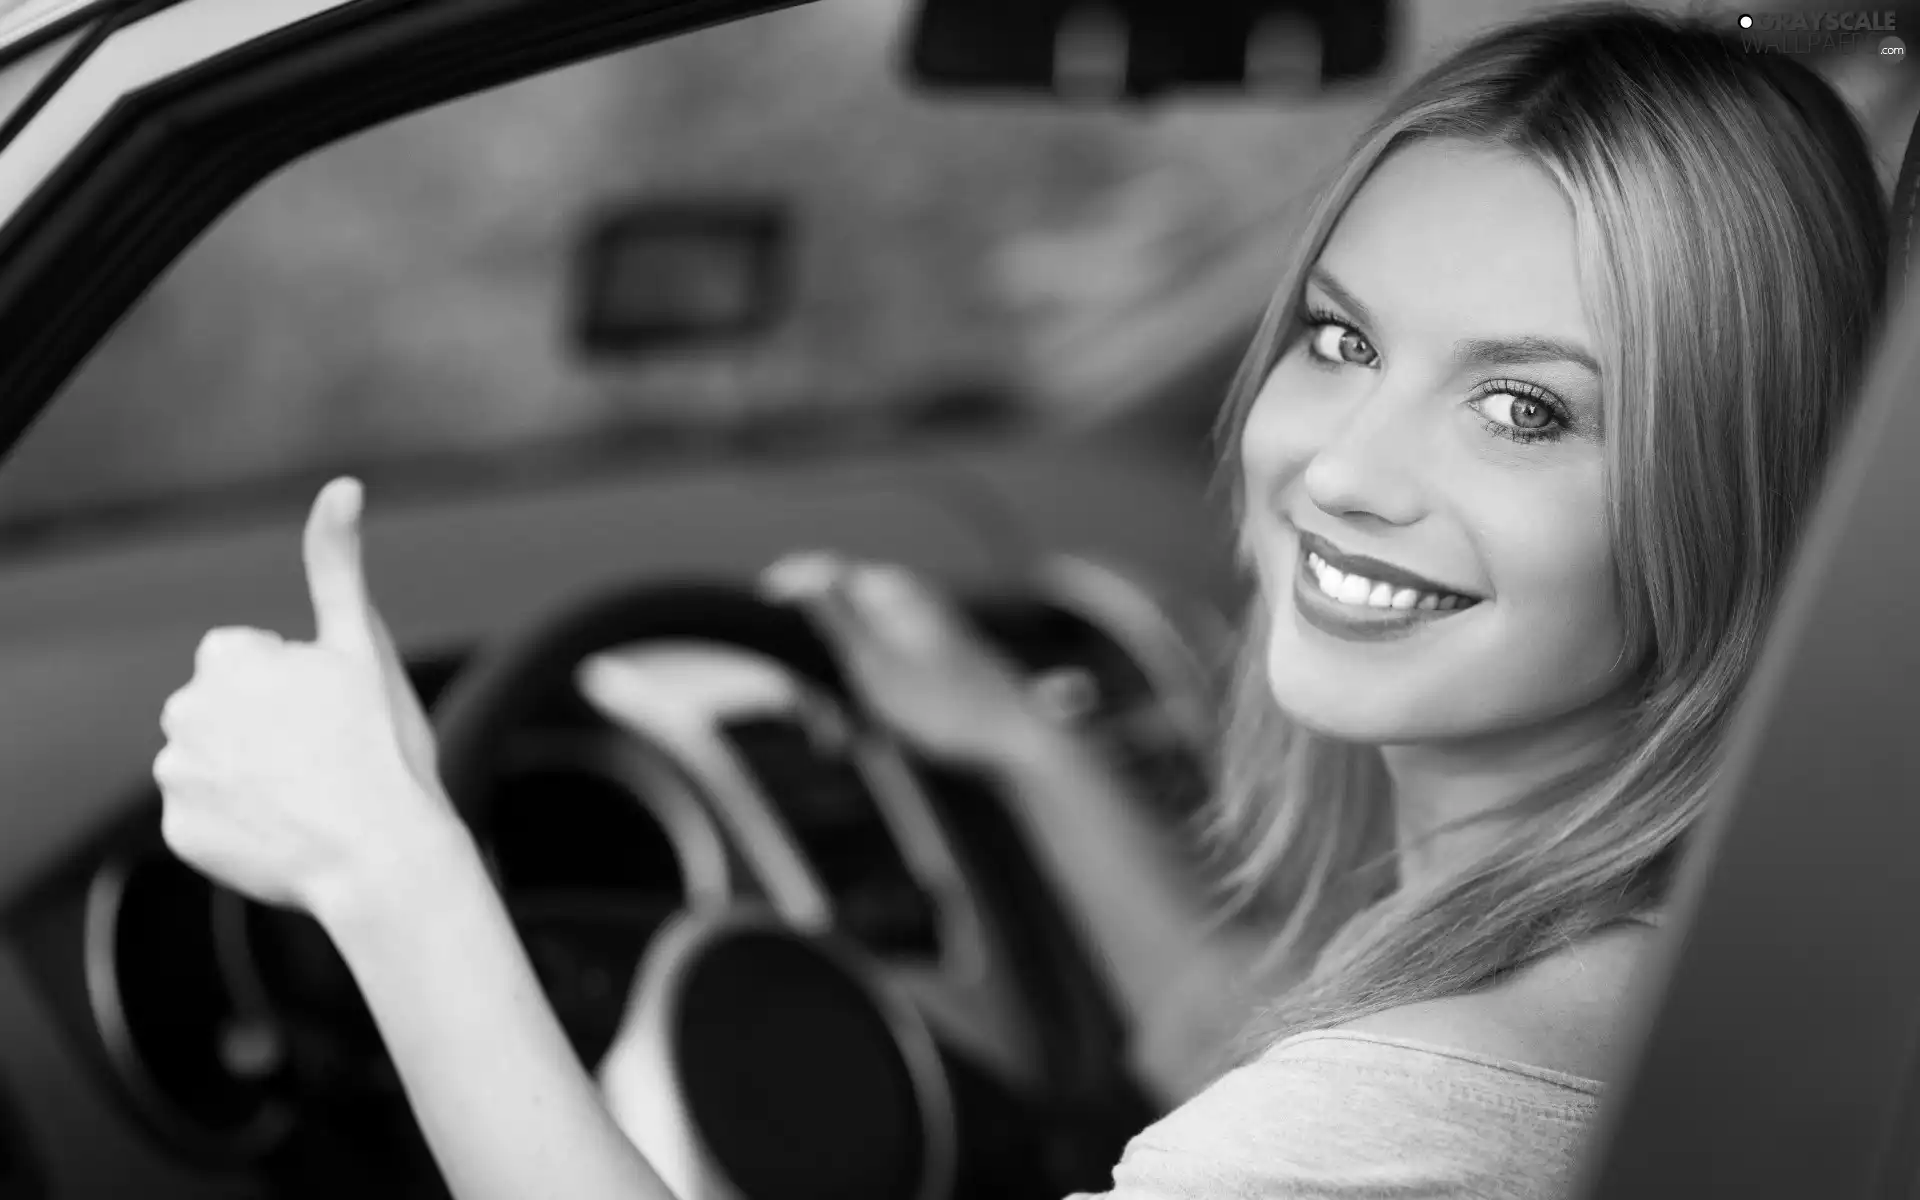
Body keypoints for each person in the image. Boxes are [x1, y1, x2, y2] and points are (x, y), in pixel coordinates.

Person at [151, 6, 1890, 1199]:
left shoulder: (1406, 1118)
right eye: (1342, 340)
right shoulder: (1653, 984)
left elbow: (1321, 1110)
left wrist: (386, 875)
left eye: (1524, 409)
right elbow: (1240, 1045)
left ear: (1735, 494)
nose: (1343, 470)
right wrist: (1014, 748)